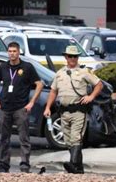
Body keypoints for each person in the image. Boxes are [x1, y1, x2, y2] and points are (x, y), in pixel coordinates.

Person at [44, 45, 103, 174]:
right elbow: (53, 91)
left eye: (75, 56)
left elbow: (99, 84)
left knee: (76, 138)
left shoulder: (83, 72)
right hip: (64, 112)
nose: (72, 59)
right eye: (70, 56)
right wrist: (48, 107)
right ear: (66, 57)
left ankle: (72, 165)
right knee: (68, 140)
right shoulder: (60, 73)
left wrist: (91, 96)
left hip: (78, 111)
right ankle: (78, 168)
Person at [0, 42, 44, 173]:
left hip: (20, 107)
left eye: (14, 51)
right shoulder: (3, 67)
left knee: (24, 138)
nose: (12, 54)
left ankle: (25, 165)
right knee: (4, 138)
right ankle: (4, 164)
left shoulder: (27, 67)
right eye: (10, 51)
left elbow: (39, 84)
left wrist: (32, 102)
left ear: (19, 52)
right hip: (5, 107)